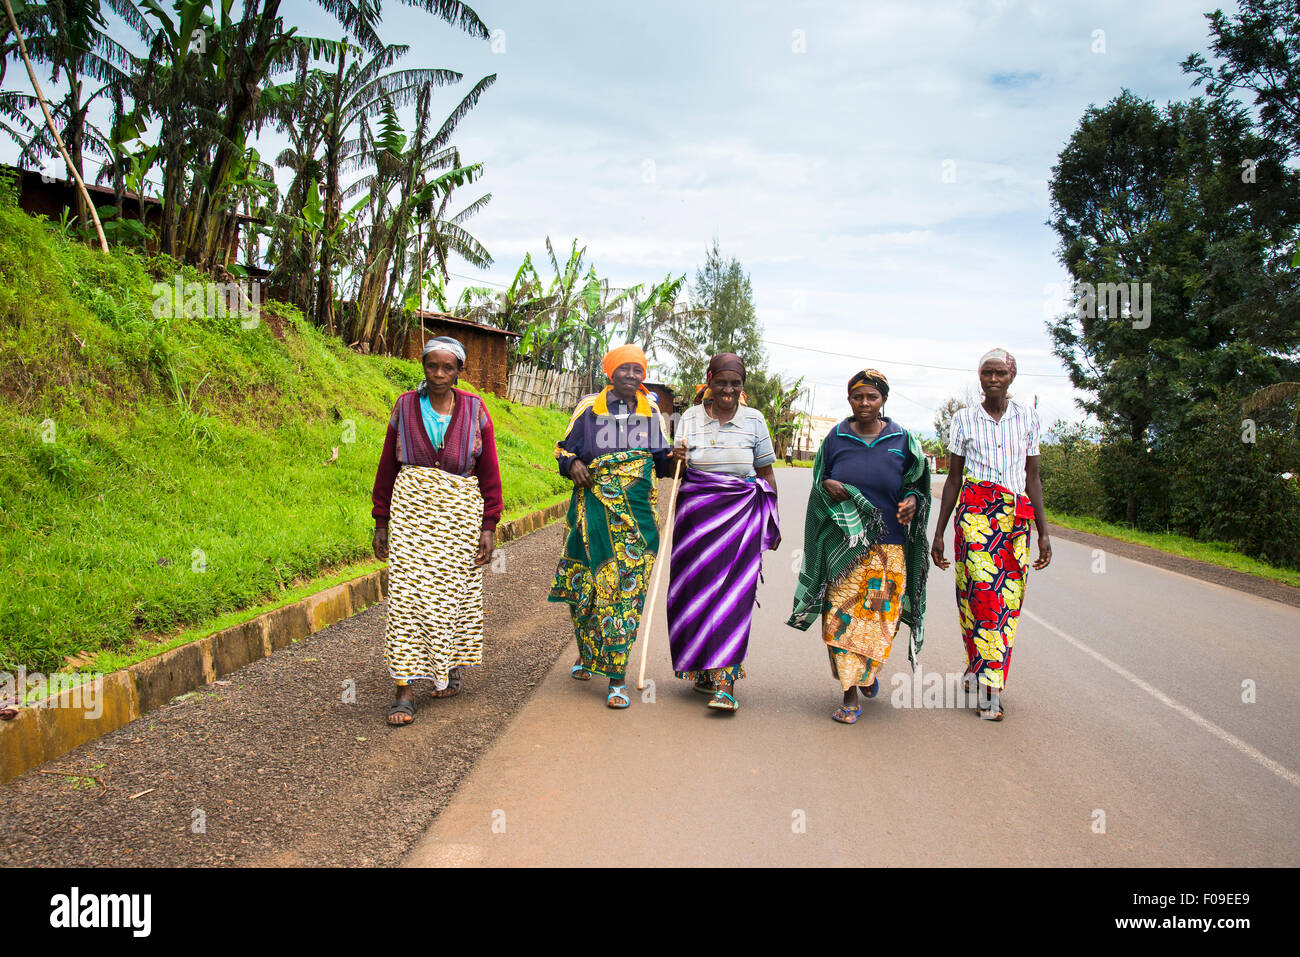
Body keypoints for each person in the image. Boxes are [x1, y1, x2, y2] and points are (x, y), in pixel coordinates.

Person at [371, 336, 503, 726]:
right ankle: (404, 689)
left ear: (460, 371)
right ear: (423, 367)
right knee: (406, 598)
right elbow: (386, 467)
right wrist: (382, 521)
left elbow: (489, 472)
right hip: (411, 511)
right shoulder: (405, 406)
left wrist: (489, 525)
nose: (440, 374)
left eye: (448, 367)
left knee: (452, 595)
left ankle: (449, 667)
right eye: (433, 366)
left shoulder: (476, 410)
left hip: (460, 514)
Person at [787, 368, 931, 724]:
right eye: (857, 396)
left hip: (889, 550)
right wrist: (831, 486)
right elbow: (819, 484)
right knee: (840, 619)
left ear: (883, 400)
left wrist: (912, 501)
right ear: (849, 399)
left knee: (878, 619)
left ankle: (866, 672)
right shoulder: (835, 439)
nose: (864, 403)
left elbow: (917, 484)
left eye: (872, 396)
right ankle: (850, 693)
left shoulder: (903, 440)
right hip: (844, 551)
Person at [930, 348, 1051, 722]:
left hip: (1015, 519)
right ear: (979, 377)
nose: (993, 379)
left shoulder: (1028, 418)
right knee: (981, 596)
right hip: (974, 516)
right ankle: (990, 690)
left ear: (1012, 376)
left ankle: (978, 667)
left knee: (1007, 602)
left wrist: (1044, 533)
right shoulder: (964, 420)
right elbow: (953, 478)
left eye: (1000, 373)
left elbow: (1032, 478)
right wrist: (939, 532)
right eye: (987, 373)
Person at [548, 344, 672, 709]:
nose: (632, 376)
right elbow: (563, 450)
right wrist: (572, 465)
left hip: (639, 519)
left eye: (638, 370)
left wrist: (675, 458)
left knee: (626, 592)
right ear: (610, 372)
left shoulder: (652, 410)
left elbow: (661, 464)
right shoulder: (590, 408)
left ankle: (617, 677)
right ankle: (590, 656)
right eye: (625, 370)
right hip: (596, 511)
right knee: (590, 586)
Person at [666, 353, 780, 713]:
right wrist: (676, 456)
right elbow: (677, 472)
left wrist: (773, 519)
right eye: (722, 382)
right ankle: (702, 667)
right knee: (693, 592)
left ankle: (726, 682)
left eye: (735, 384)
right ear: (710, 381)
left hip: (740, 521)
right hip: (696, 522)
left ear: (741, 386)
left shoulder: (755, 421)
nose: (728, 390)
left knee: (734, 597)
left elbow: (765, 473)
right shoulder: (689, 418)